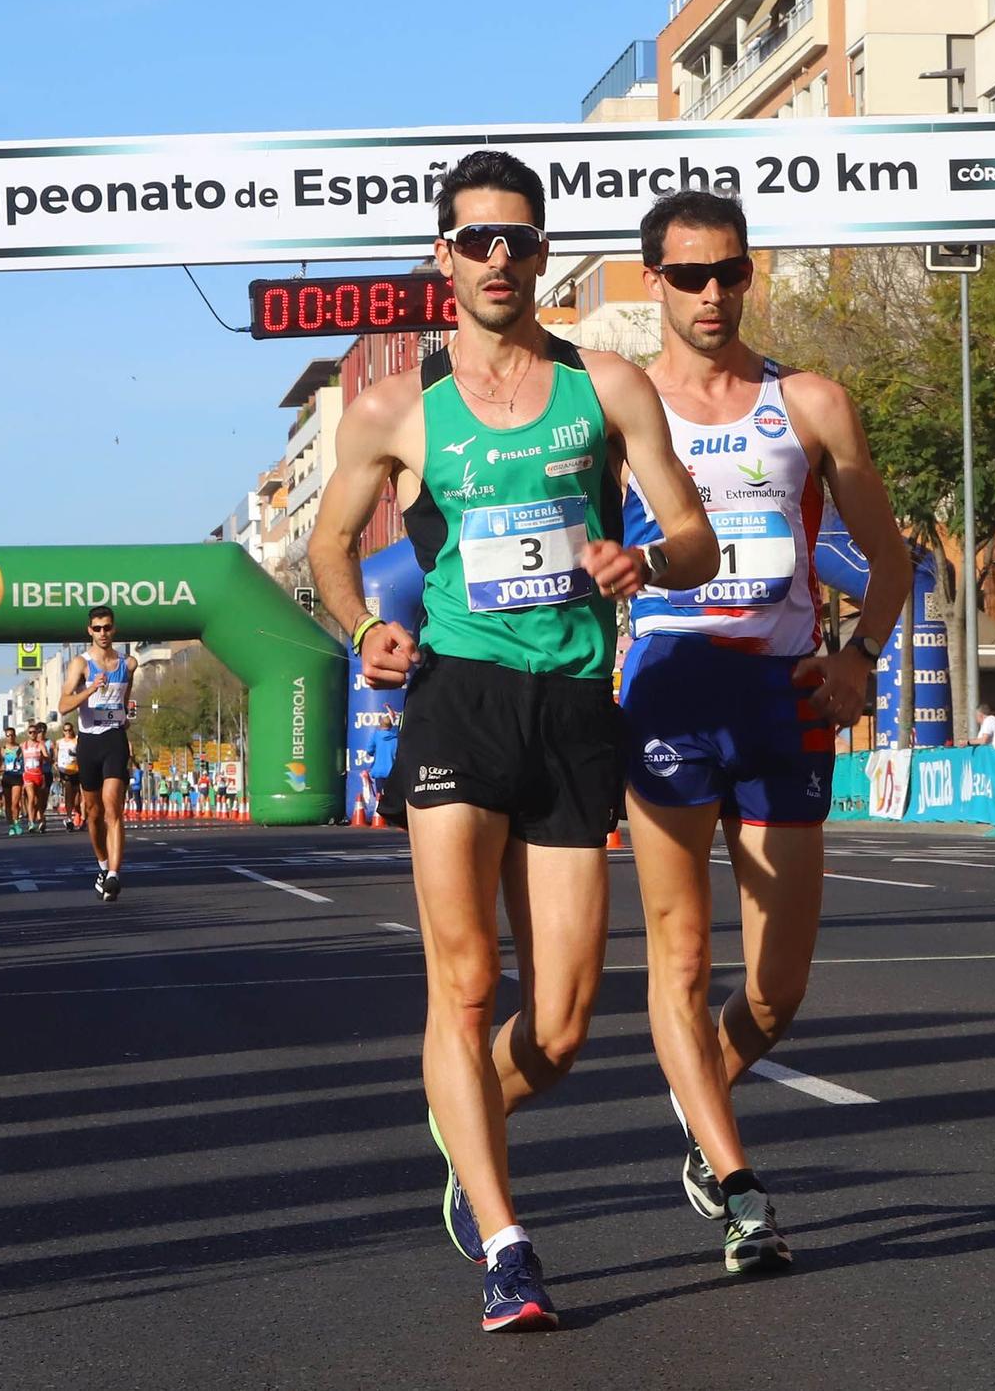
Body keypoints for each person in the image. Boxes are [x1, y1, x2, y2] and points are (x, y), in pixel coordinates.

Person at [310, 149, 716, 1332]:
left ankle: (463, 1112)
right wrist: (362, 630)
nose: (500, 258)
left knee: (562, 1018)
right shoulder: (395, 409)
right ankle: (505, 1240)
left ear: (544, 255)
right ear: (443, 257)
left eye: (520, 240)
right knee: (464, 974)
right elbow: (332, 549)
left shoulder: (610, 386)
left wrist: (642, 558)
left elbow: (691, 536)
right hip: (458, 697)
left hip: (576, 704)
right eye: (478, 240)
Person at [619, 189, 911, 1275]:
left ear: (749, 274)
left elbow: (888, 558)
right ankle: (739, 1186)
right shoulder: (617, 405)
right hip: (667, 686)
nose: (710, 293)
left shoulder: (812, 403)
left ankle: (699, 1097)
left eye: (728, 272)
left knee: (775, 990)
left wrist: (857, 656)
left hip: (782, 698)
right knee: (678, 952)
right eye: (688, 275)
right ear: (650, 280)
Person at [60, 604, 135, 899]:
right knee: (93, 813)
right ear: (90, 631)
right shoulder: (80, 663)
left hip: (114, 739)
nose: (103, 633)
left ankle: (115, 874)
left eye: (108, 627)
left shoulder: (128, 664)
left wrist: (124, 716)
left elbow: (125, 699)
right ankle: (103, 866)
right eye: (98, 628)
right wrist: (89, 690)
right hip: (88, 742)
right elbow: (63, 705)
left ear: (114, 629)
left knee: (112, 805)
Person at [22, 721, 50, 832]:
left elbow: (47, 756)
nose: (32, 734)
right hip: (28, 775)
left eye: (34, 732)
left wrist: (46, 758)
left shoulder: (40, 745)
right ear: (28, 733)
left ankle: (40, 818)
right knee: (31, 798)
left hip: (39, 775)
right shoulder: (23, 746)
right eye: (30, 732)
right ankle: (31, 822)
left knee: (39, 800)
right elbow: (16, 757)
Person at [56, 723, 83, 830]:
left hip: (76, 770)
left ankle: (79, 814)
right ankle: (68, 818)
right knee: (68, 795)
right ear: (63, 731)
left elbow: (82, 754)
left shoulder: (77, 740)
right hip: (65, 771)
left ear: (72, 730)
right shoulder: (59, 742)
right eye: (65, 730)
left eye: (69, 730)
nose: (68, 732)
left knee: (76, 800)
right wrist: (56, 765)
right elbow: (56, 755)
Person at [0, 729, 24, 835]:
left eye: (12, 735)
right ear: (6, 737)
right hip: (6, 777)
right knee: (8, 804)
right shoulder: (3, 750)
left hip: (17, 777)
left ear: (15, 736)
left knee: (15, 803)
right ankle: (11, 825)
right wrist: (0, 768)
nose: (10, 737)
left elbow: (24, 762)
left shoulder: (20, 748)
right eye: (8, 735)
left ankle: (16, 823)